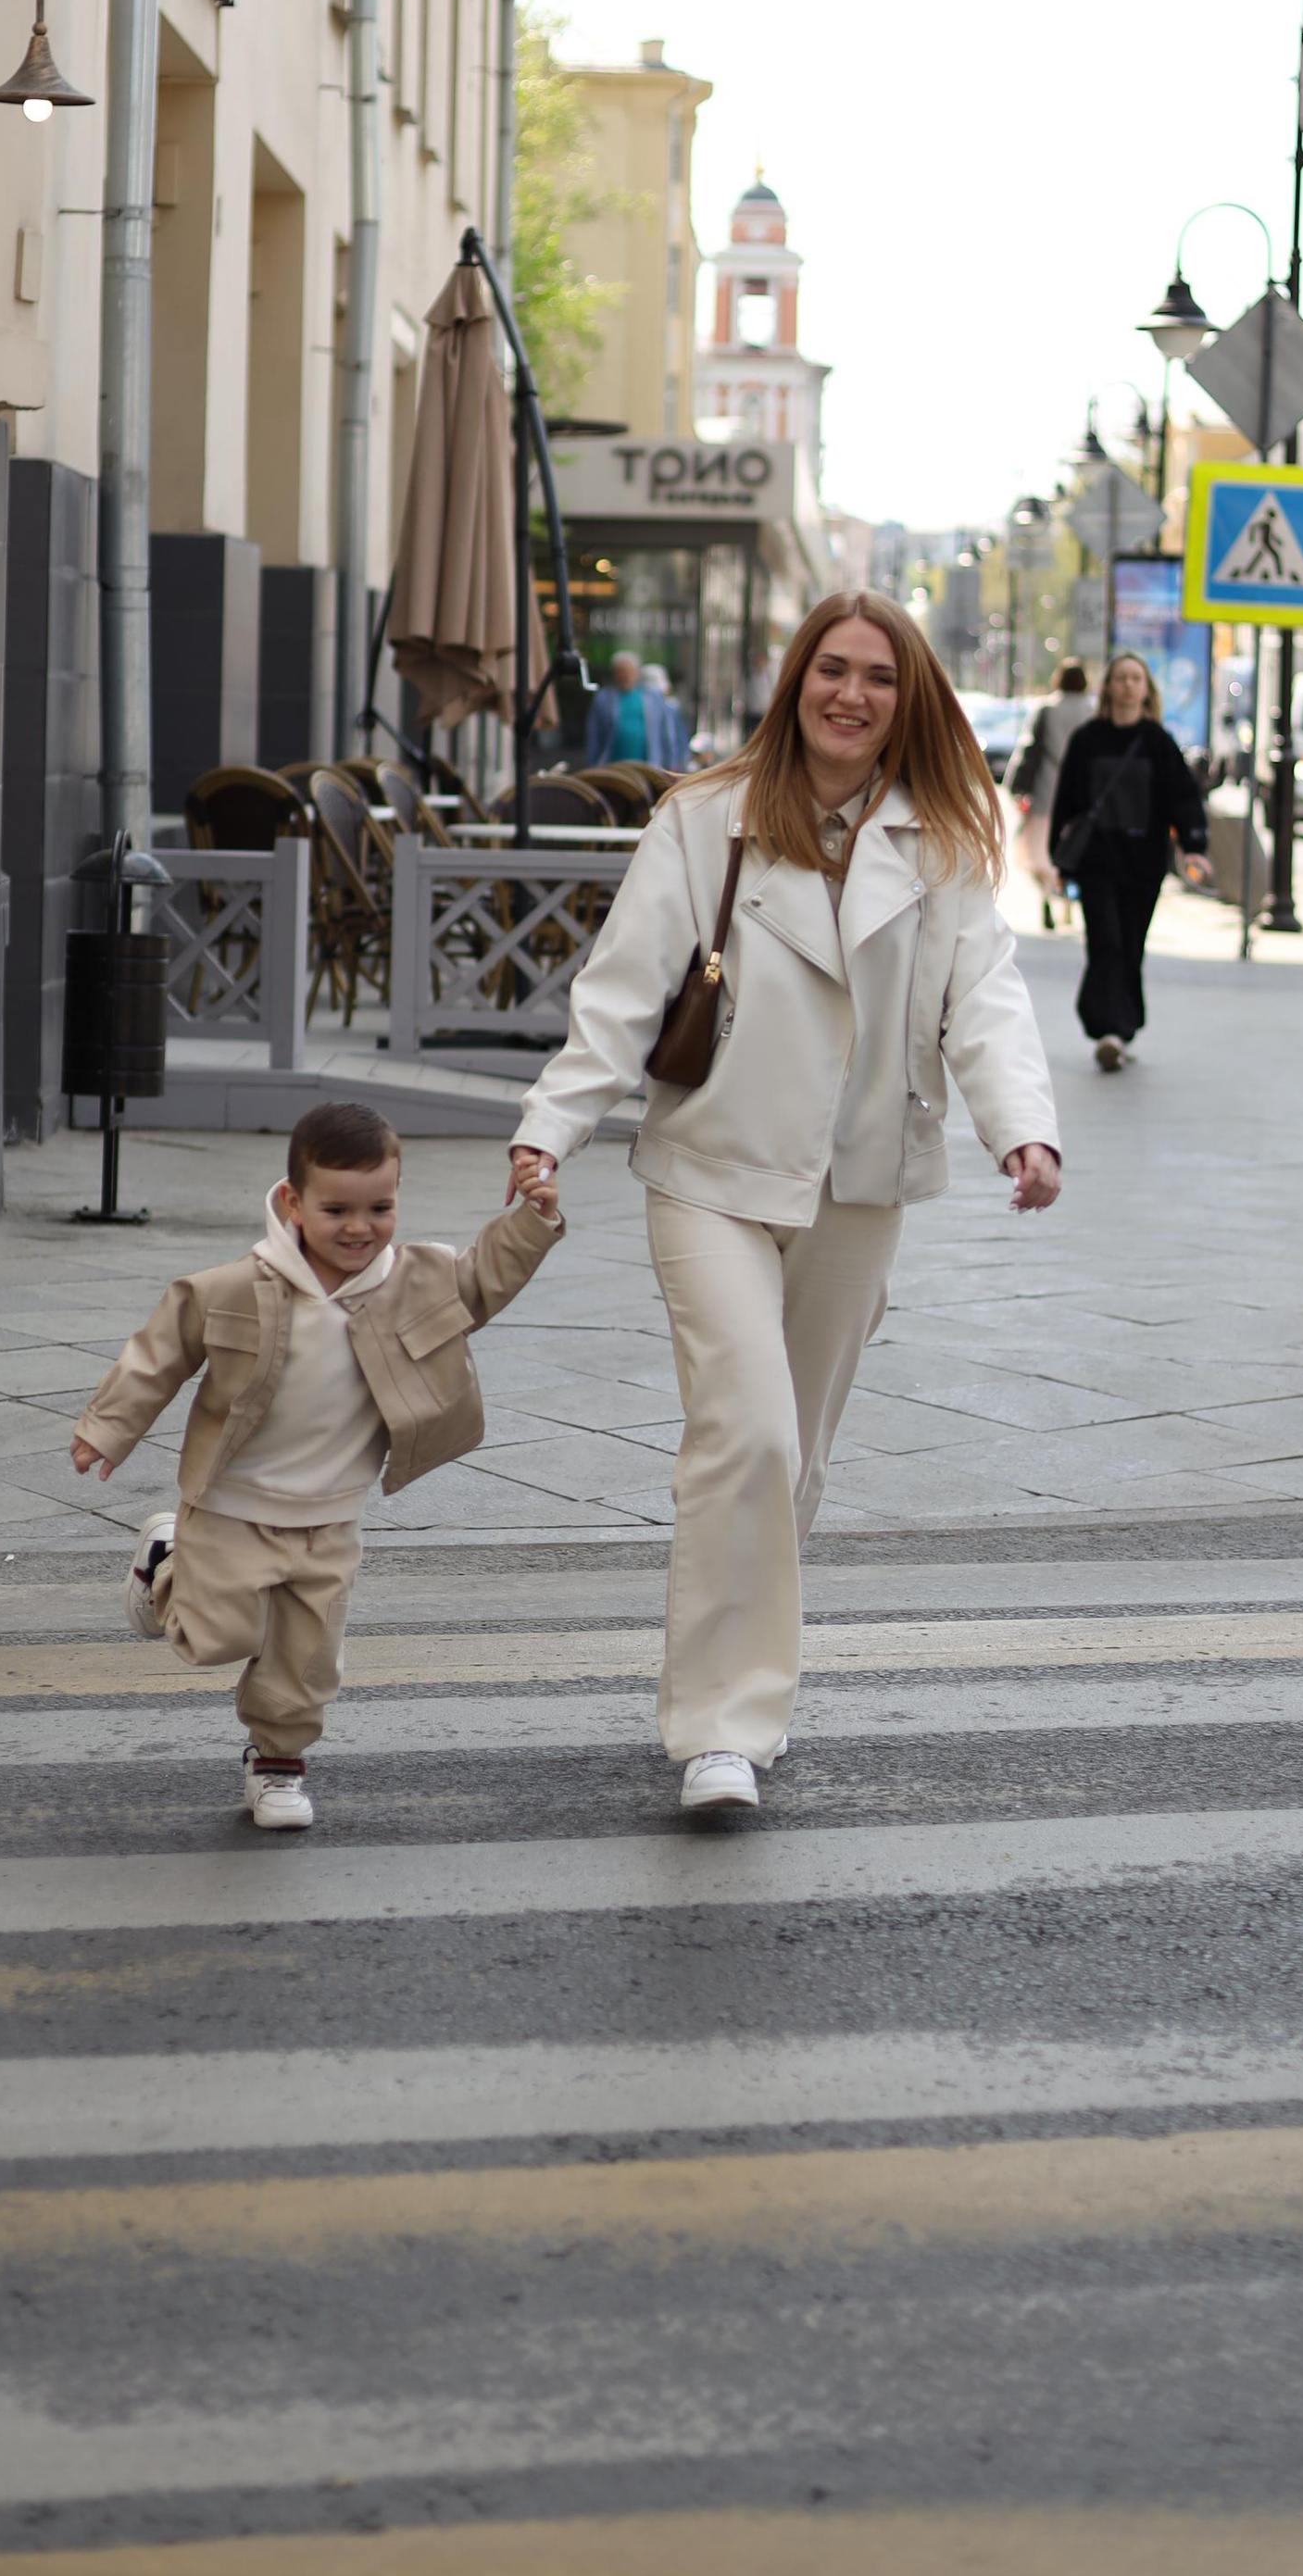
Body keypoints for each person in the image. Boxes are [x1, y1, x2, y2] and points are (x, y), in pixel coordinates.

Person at [506, 590, 1059, 1819]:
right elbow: (623, 988)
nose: (851, 695)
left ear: (906, 700)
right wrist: (552, 1128)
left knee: (789, 1457)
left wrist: (1022, 1127)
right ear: (794, 681)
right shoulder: (707, 819)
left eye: (877, 677)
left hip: (859, 1182)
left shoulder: (945, 841)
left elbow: (990, 995)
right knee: (746, 1437)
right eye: (831, 670)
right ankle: (720, 1729)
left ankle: (741, 1677)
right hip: (711, 1167)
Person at [70, 1100, 562, 1828]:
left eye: (381, 1207)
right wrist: (108, 1428)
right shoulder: (237, 1287)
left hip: (331, 1515)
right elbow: (160, 1352)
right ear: (293, 1202)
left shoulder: (415, 1280)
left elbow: (485, 1277)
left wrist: (534, 1218)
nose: (360, 1228)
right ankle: (166, 1561)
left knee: (306, 1659)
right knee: (218, 1638)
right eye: (337, 1209)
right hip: (235, 1503)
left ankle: (277, 1764)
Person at [1046, 648, 1212, 1072]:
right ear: (1109, 687)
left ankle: (1124, 1024)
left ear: (1146, 690)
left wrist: (1194, 846)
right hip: (1097, 862)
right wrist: (1059, 860)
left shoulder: (1158, 742)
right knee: (1106, 941)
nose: (1127, 685)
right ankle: (1109, 1030)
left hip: (1143, 864)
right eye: (1120, 677)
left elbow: (1183, 798)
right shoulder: (1088, 739)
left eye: (1136, 679)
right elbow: (1066, 802)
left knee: (1131, 946)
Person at [1007, 660, 1092, 878]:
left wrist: (1017, 785)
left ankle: (1048, 892)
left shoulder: (1046, 709)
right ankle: (1065, 897)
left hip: (1046, 789)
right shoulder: (1093, 711)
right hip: (1083, 794)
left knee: (1041, 851)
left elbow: (1030, 749)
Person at [584, 648, 692, 772]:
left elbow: (667, 732)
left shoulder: (653, 697)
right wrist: (593, 765)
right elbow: (594, 734)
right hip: (612, 766)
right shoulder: (604, 698)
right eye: (620, 672)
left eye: (628, 671)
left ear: (636, 673)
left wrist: (672, 763)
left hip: (648, 767)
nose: (624, 676)